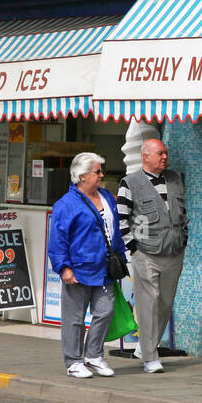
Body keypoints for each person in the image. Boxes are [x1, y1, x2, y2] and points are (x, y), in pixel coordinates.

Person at [47, 152, 127, 379]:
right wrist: (64, 267)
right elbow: (58, 239)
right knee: (74, 318)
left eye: (101, 171)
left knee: (105, 311)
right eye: (97, 171)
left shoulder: (107, 197)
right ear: (82, 176)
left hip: (105, 268)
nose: (102, 175)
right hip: (79, 269)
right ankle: (73, 361)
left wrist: (120, 257)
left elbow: (115, 230)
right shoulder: (66, 204)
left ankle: (93, 355)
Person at [117, 138, 187, 374]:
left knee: (165, 304)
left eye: (166, 153)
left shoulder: (175, 179)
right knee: (148, 304)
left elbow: (182, 212)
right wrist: (133, 246)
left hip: (174, 252)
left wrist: (183, 238)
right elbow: (121, 217)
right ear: (145, 156)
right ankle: (150, 357)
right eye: (160, 153)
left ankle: (144, 346)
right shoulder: (130, 182)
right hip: (145, 252)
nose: (165, 157)